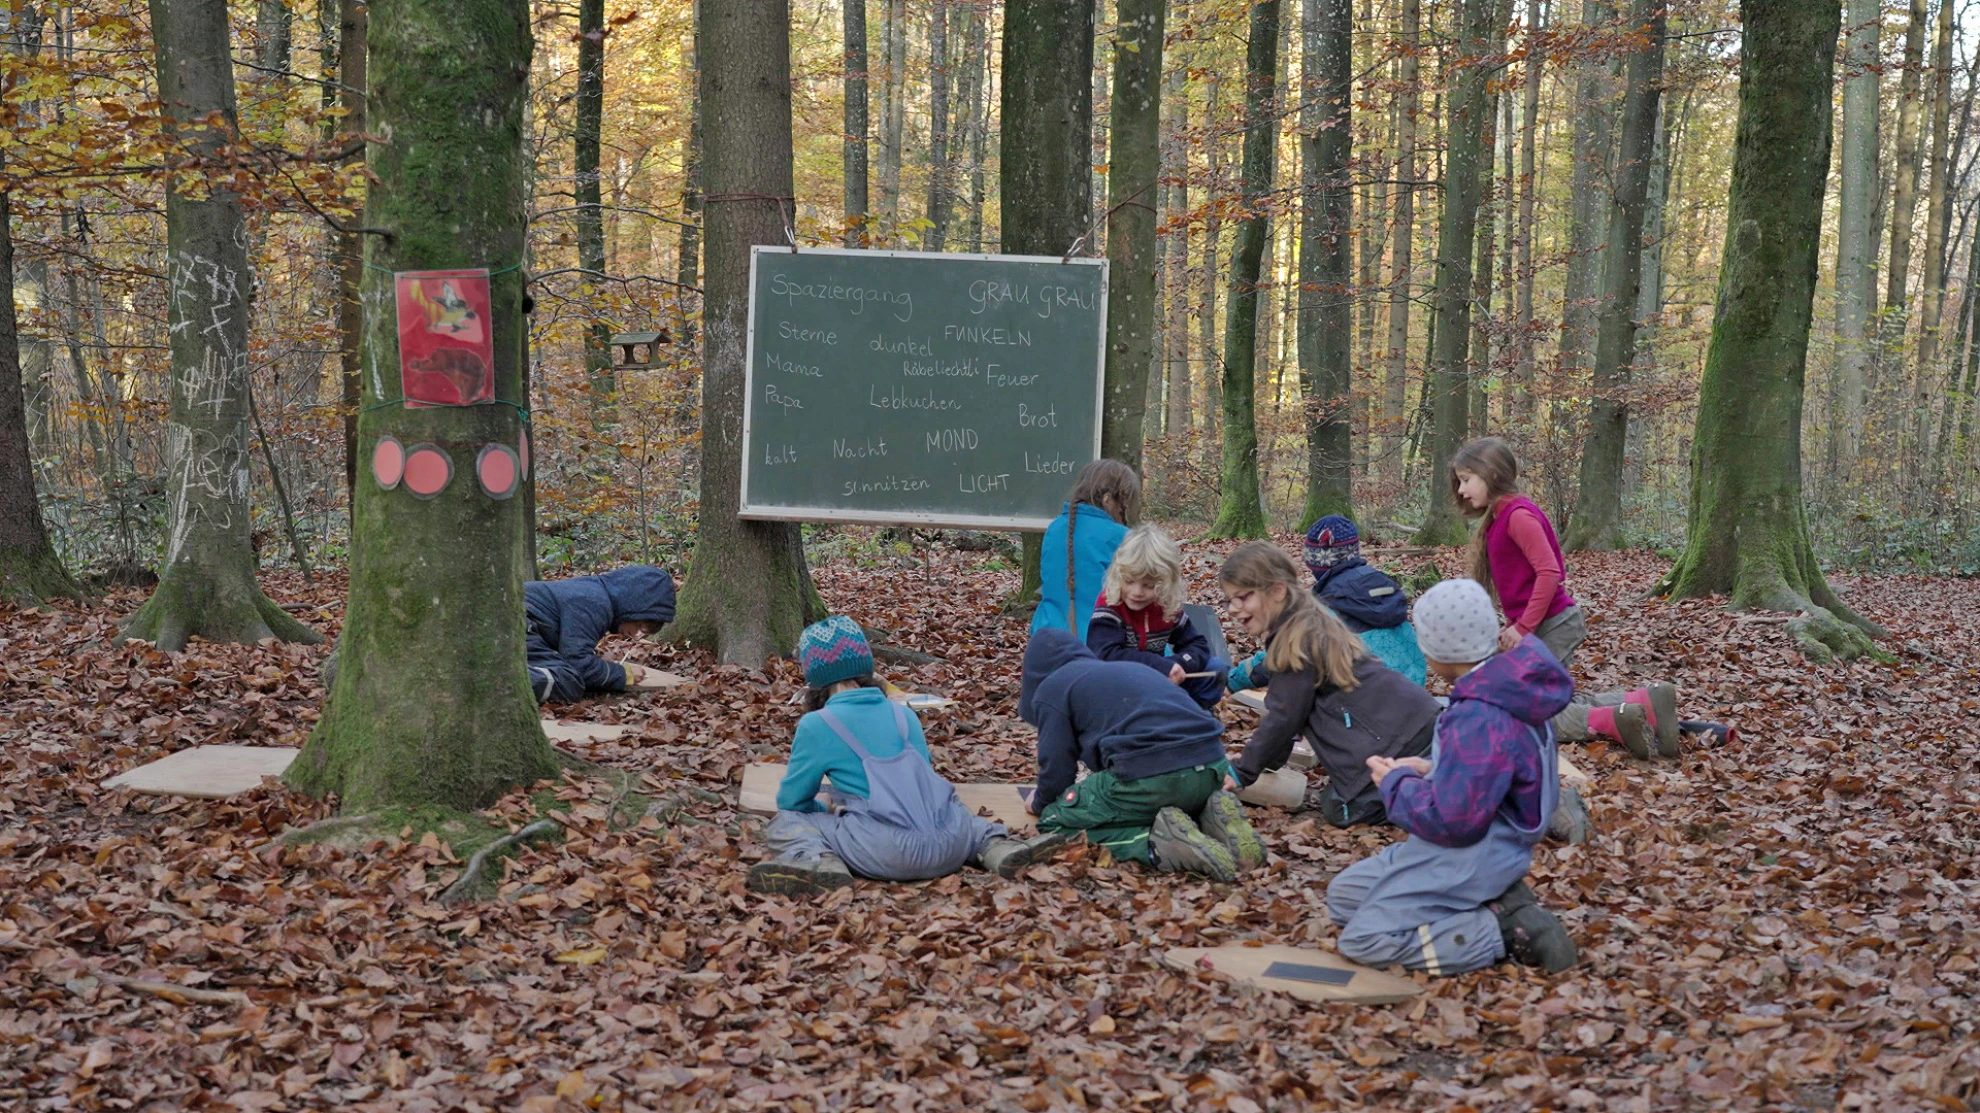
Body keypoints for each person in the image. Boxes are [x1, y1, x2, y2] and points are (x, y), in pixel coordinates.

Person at [1325, 578, 1579, 975]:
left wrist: (1395, 786)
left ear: (1438, 652)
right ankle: (1485, 901)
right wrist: (1431, 770)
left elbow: (1454, 821)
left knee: (1363, 940)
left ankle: (1498, 928)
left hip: (1474, 851)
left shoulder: (1479, 714)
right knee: (1343, 897)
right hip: (1476, 839)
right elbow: (1496, 771)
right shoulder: (1502, 686)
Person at [749, 617, 1071, 894]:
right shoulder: (904, 715)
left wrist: (827, 806)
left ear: (813, 677)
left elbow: (793, 801)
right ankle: (998, 848)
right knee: (956, 810)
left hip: (887, 852)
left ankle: (820, 865)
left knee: (787, 822)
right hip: (951, 845)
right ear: (865, 665)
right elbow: (921, 789)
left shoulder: (817, 724)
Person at [1449, 437, 1680, 760]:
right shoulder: (1500, 519)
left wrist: (1523, 628)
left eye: (1466, 480)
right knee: (1544, 699)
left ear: (1492, 475)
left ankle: (1612, 721)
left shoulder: (1518, 516)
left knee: (1527, 711)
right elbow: (1522, 584)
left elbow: (1549, 572)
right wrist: (1513, 626)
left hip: (1555, 624)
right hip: (1542, 625)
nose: (1461, 490)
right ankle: (1644, 702)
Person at [1217, 541, 1443, 828]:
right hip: (1424, 724)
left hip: (1395, 743)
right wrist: (1264, 762)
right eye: (1228, 600)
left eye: (1242, 598)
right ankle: (1436, 773)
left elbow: (1284, 719)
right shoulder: (1314, 619)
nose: (1233, 609)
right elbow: (1290, 715)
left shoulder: (1294, 641)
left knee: (1339, 808)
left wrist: (1241, 772)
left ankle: (1428, 790)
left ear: (1276, 591)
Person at [1019, 628, 1264, 880]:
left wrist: (1041, 802)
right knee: (1164, 793)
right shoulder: (1126, 671)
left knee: (1054, 820)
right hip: (1212, 765)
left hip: (1155, 776)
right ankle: (1207, 818)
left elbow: (1057, 767)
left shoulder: (1052, 687)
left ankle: (1156, 845)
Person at [1087, 524, 1229, 708]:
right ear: (1118, 575)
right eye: (1129, 582)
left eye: (1148, 585)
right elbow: (1107, 655)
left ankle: (1191, 716)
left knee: (1216, 669)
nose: (1137, 592)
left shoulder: (1165, 604)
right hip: (1120, 687)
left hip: (1160, 682)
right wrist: (1160, 666)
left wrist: (1179, 665)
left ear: (1165, 584)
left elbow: (1198, 645)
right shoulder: (1110, 604)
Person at [1301, 515, 1427, 685]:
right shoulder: (1385, 587)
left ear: (1315, 561)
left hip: (1362, 704)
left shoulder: (1327, 605)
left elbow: (1299, 654)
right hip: (1414, 696)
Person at [525, 565, 677, 704]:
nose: (636, 636)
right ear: (633, 604)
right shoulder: (594, 604)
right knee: (568, 682)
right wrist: (622, 674)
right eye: (639, 626)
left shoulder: (593, 593)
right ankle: (506, 685)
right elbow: (578, 665)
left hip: (520, 621)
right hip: (520, 622)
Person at [1031, 459, 1140, 640]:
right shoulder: (1122, 537)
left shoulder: (1054, 528)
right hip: (1101, 644)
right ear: (1108, 500)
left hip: (1047, 639)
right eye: (1124, 504)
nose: (1125, 511)